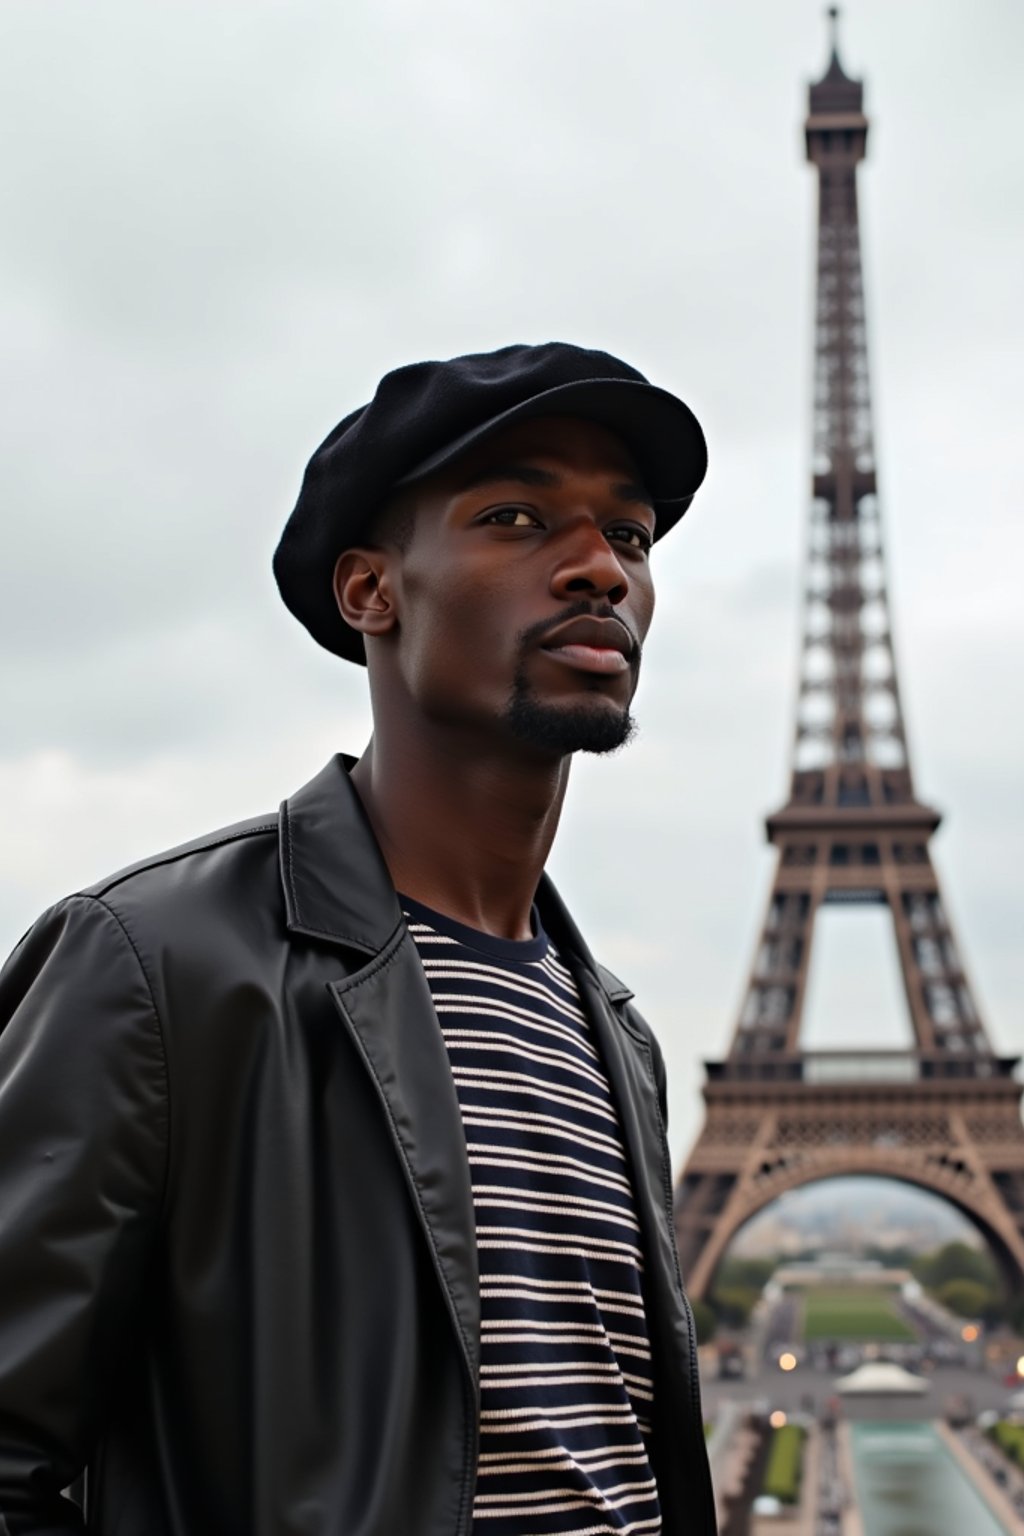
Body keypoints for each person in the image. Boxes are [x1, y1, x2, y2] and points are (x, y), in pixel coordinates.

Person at [0, 342, 716, 1535]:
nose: (598, 568)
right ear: (370, 593)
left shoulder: (618, 1037)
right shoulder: (157, 969)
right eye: (517, 516)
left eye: (630, 536)